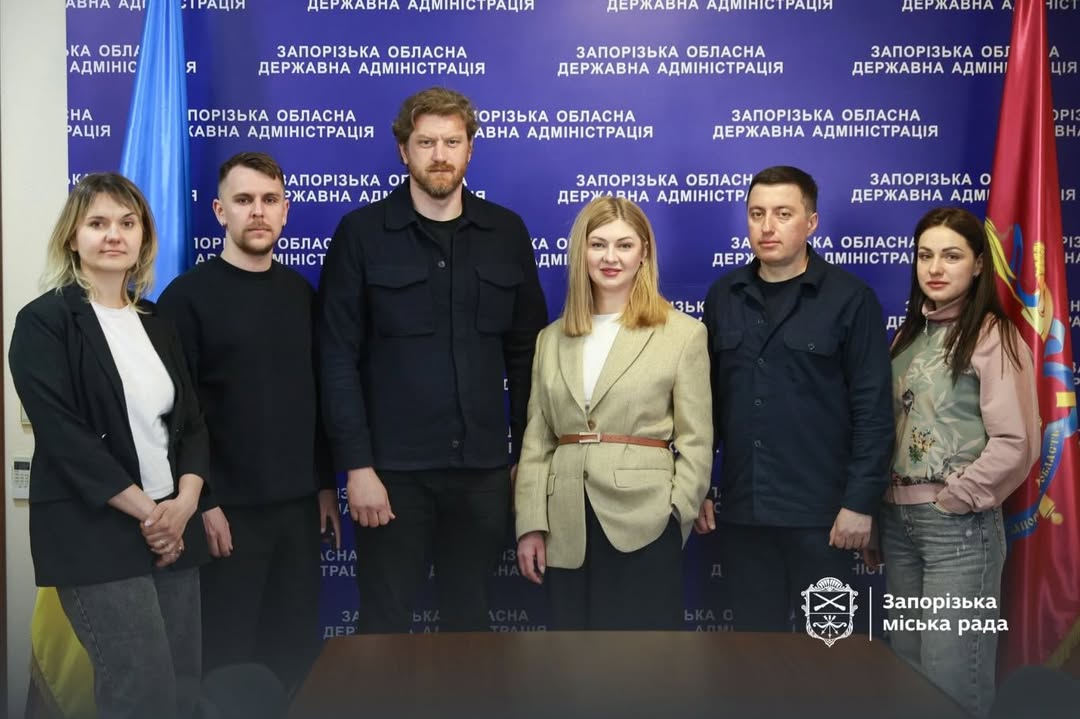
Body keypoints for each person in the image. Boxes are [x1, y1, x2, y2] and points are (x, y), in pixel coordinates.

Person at [318, 87, 548, 632]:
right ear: (404, 150)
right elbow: (337, 358)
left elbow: (529, 358)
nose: (440, 155)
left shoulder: (506, 233)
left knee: (471, 624)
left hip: (483, 475)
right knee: (384, 624)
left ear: (470, 149)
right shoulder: (361, 234)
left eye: (451, 142)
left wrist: (526, 460)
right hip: (391, 476)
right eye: (426, 143)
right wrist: (358, 468)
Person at [9, 172, 209, 718]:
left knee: (182, 688)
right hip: (95, 531)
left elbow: (191, 423)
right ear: (73, 237)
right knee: (140, 691)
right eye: (97, 223)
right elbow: (66, 438)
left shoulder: (157, 322)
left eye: (127, 223)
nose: (113, 235)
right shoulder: (44, 322)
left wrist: (183, 506)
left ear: (144, 236)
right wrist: (152, 516)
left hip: (175, 524)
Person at [157, 152, 340, 690]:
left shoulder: (302, 295)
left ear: (285, 211)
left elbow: (313, 401)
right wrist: (204, 501)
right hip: (225, 515)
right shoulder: (186, 299)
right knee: (227, 663)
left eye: (269, 200)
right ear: (220, 211)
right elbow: (176, 415)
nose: (257, 212)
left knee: (294, 656)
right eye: (243, 200)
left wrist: (324, 484)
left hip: (298, 513)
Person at [698, 165, 893, 631]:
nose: (767, 227)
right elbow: (706, 409)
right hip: (745, 517)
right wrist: (698, 486)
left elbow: (873, 412)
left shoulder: (850, 299)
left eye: (783, 214)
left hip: (824, 521)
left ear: (811, 222)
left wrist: (860, 503)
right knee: (752, 655)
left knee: (828, 651)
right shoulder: (724, 296)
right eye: (757, 214)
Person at [867, 207, 1038, 718]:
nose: (935, 268)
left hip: (958, 530)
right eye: (925, 256)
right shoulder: (905, 338)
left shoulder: (992, 335)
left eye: (951, 256)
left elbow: (1016, 441)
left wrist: (955, 498)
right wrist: (879, 512)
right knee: (908, 675)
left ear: (979, 264)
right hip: (898, 523)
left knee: (952, 679)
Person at [514, 197, 712, 630]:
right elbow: (537, 441)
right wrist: (530, 523)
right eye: (598, 244)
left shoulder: (683, 334)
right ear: (581, 252)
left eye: (624, 245)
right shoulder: (550, 339)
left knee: (644, 661)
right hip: (564, 527)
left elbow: (697, 440)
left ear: (644, 253)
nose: (610, 257)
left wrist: (676, 512)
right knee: (571, 661)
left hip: (645, 522)